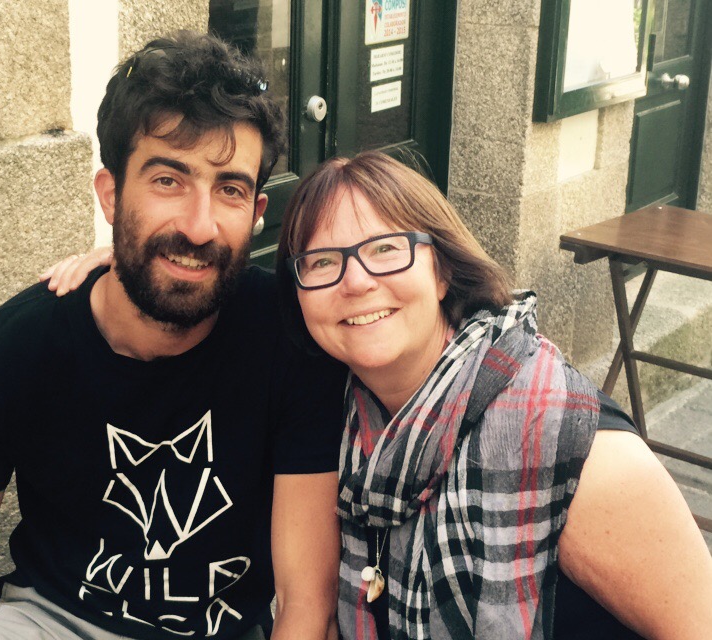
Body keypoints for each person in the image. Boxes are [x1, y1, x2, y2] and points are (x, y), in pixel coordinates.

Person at [0, 32, 345, 640]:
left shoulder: (288, 335)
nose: (199, 227)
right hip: (53, 620)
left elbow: (305, 602)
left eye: (230, 190)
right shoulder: (16, 346)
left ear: (256, 213)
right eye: (168, 180)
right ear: (111, 196)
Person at [273, 151, 712, 639]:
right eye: (322, 261)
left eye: (386, 249)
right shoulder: (338, 420)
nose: (356, 281)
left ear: (442, 272)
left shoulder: (572, 444)